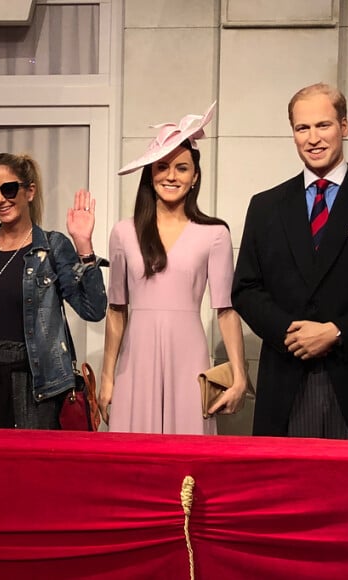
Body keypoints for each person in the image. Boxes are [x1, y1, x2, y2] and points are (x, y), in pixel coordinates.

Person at [231, 83, 348, 441]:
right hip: (286, 380)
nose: (313, 138)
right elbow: (245, 289)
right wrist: (290, 331)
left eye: (323, 125)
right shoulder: (265, 206)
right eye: (302, 128)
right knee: (287, 493)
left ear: (344, 127)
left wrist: (337, 332)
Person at [99, 103, 248, 435]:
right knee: (133, 457)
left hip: (189, 356)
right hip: (135, 361)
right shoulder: (124, 232)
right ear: (150, 175)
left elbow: (226, 310)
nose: (171, 175)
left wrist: (240, 376)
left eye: (181, 168)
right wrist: (107, 377)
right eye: (162, 166)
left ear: (195, 176)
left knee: (189, 453)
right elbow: (116, 310)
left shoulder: (215, 234)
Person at [0, 152, 107, 429]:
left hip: (37, 385)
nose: (0, 199)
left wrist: (84, 247)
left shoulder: (52, 247)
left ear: (30, 191)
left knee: (31, 470)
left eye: (9, 188)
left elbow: (93, 310)